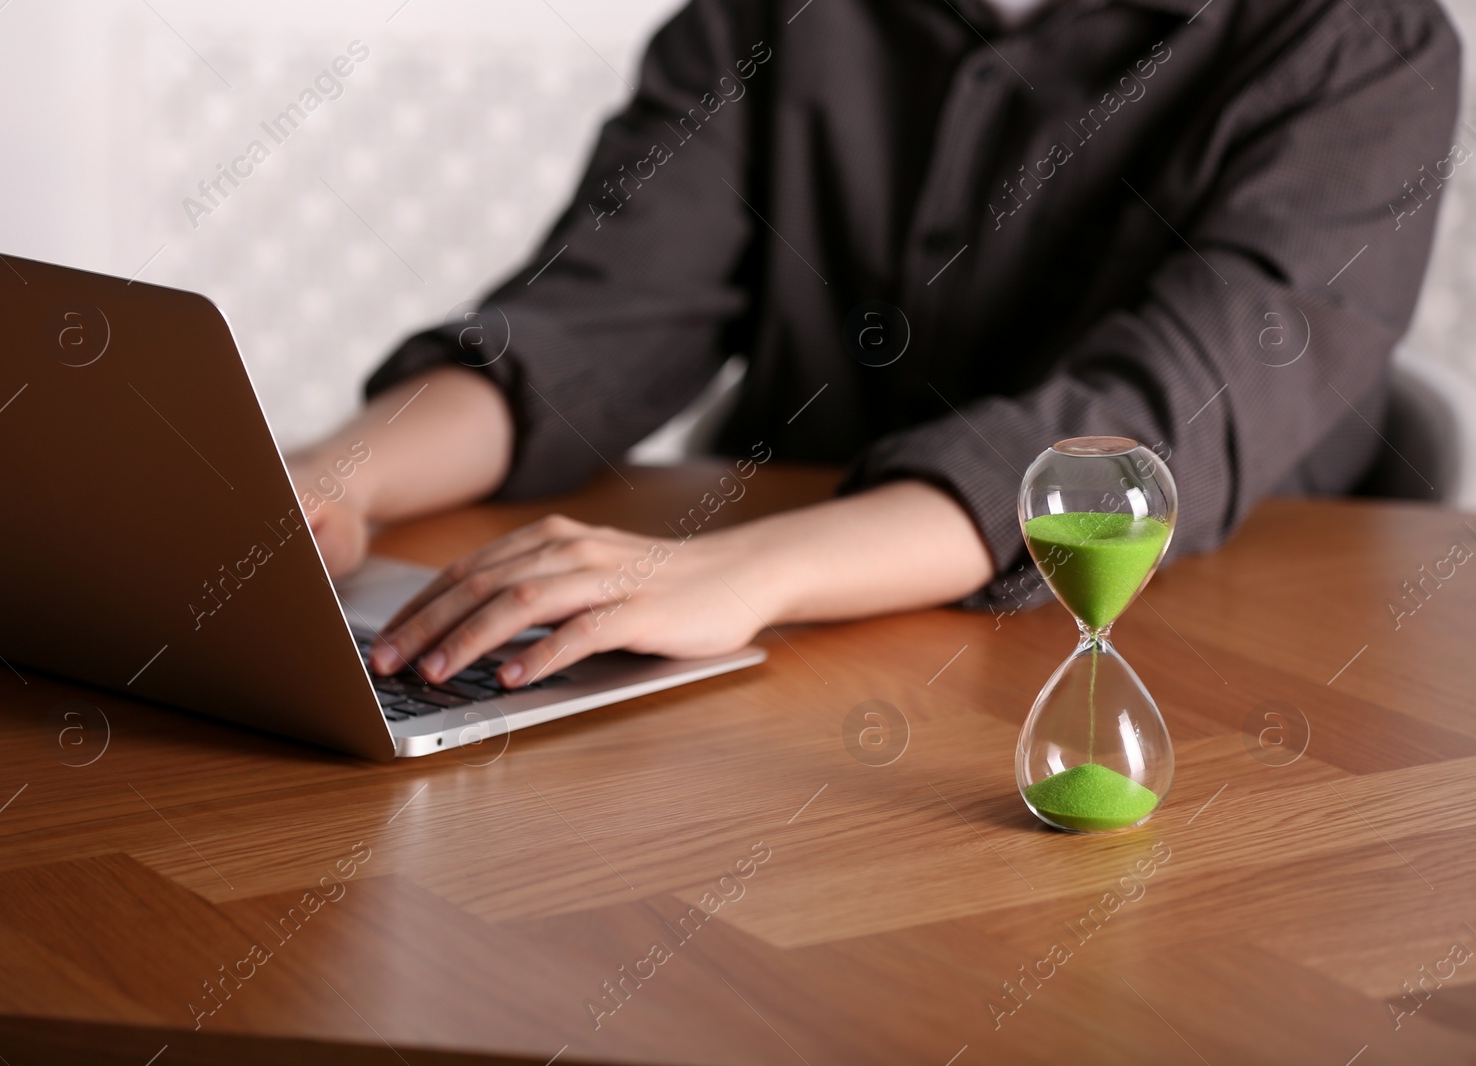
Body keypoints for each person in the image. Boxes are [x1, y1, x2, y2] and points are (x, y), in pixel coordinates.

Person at [286, 0, 1458, 691]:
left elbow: (1147, 428)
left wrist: (753, 570)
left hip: (1193, 662)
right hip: (799, 671)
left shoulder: (1360, 45)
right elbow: (587, 317)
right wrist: (338, 475)